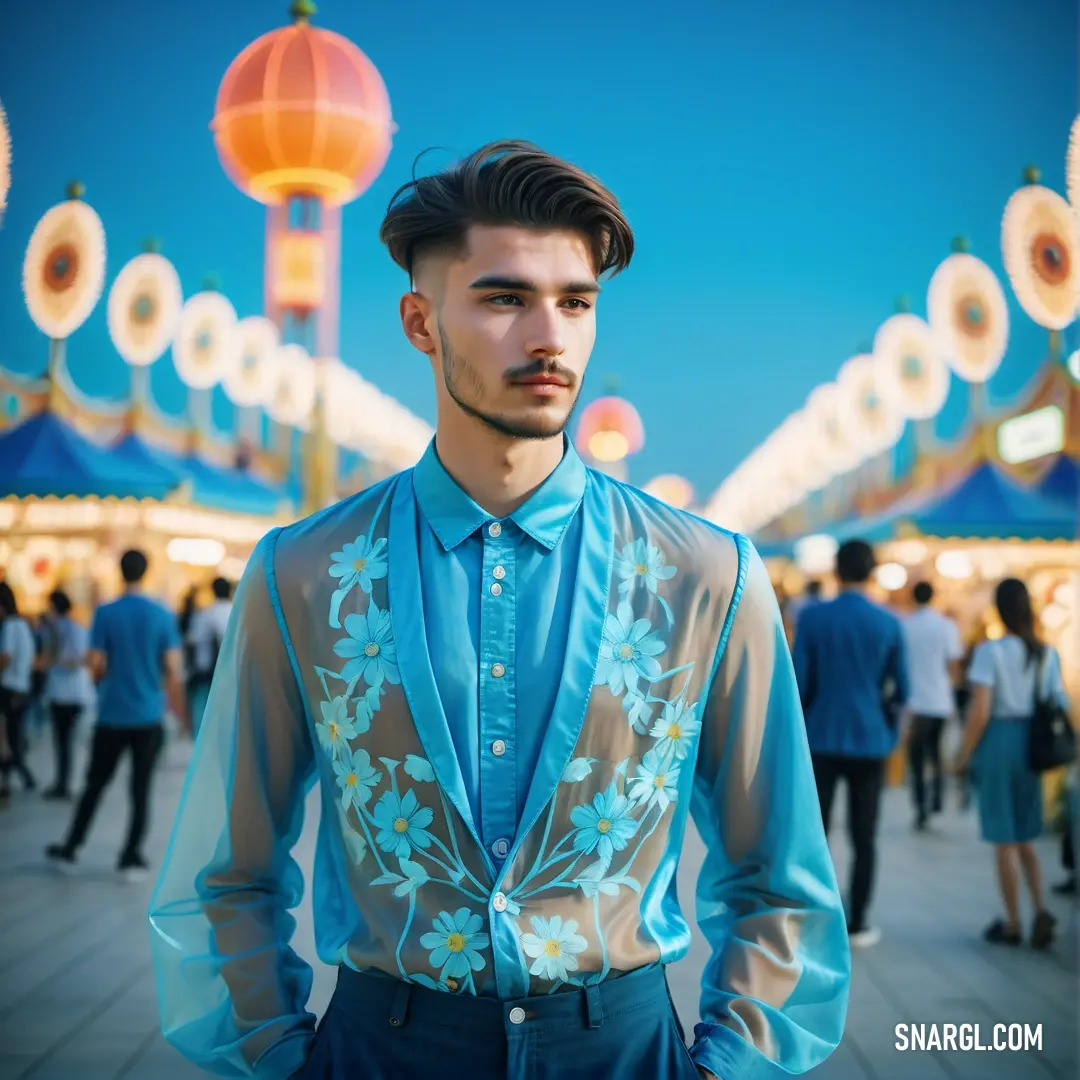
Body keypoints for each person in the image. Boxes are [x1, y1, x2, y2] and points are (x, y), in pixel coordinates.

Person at [149, 141, 850, 1080]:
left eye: (576, 301)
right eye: (505, 298)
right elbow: (226, 872)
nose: (549, 336)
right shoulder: (306, 573)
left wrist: (730, 1065)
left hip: (625, 1046)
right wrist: (278, 1058)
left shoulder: (704, 574)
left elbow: (780, 878)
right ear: (420, 322)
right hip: (380, 1047)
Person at [792, 539, 909, 949]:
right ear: (872, 571)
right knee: (865, 835)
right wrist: (888, 729)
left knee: (814, 834)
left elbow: (799, 685)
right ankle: (858, 921)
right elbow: (902, 690)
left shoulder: (812, 619)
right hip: (870, 740)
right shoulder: (889, 622)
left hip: (821, 737)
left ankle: (812, 917)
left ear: (836, 572)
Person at [46, 549, 186, 879]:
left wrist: (102, 683)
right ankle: (130, 856)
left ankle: (71, 848)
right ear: (146, 571)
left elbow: (95, 663)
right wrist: (175, 709)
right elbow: (172, 667)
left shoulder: (105, 613)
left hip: (111, 714)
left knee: (95, 784)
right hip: (148, 715)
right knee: (141, 789)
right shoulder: (162, 614)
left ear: (121, 572)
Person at [954, 578, 1069, 949]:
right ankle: (1039, 910)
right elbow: (1059, 704)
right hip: (1033, 746)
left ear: (1000, 610)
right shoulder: (1046, 653)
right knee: (1026, 837)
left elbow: (981, 711)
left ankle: (1012, 922)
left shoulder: (992, 652)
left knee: (1004, 840)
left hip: (1000, 743)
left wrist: (963, 755)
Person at [902, 581, 963, 830]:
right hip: (939, 699)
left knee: (916, 757)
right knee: (936, 752)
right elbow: (954, 665)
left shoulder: (905, 625)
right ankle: (937, 797)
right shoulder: (946, 626)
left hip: (913, 702)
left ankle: (920, 805)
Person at [41, 589, 93, 800]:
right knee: (66, 742)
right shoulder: (72, 629)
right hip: (72, 693)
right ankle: (63, 781)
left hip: (65, 692)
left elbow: (78, 659)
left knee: (63, 741)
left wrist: (55, 662)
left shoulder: (61, 629)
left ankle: (64, 782)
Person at [0, 581, 38, 800]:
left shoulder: (10, 626)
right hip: (21, 687)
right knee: (12, 737)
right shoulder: (23, 626)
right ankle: (21, 775)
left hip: (8, 688)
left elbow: (6, 657)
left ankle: (10, 779)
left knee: (6, 739)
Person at [185, 576, 233, 735]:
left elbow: (191, 642)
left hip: (206, 672)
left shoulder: (205, 614)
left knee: (202, 710)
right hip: (231, 672)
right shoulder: (236, 612)